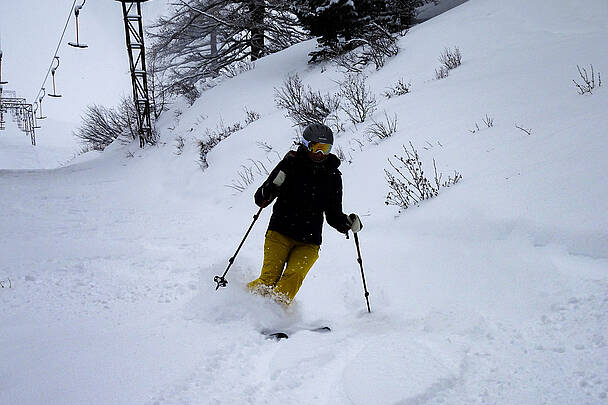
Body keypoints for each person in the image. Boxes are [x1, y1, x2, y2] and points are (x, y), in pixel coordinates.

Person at [247, 123, 362, 305]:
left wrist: (347, 223)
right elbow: (260, 199)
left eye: (325, 149)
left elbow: (332, 214)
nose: (320, 154)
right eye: (316, 148)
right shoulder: (290, 163)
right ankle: (241, 303)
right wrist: (272, 186)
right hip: (279, 233)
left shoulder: (333, 176)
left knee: (293, 277)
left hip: (309, 241)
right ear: (305, 144)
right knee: (268, 280)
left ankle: (274, 317)